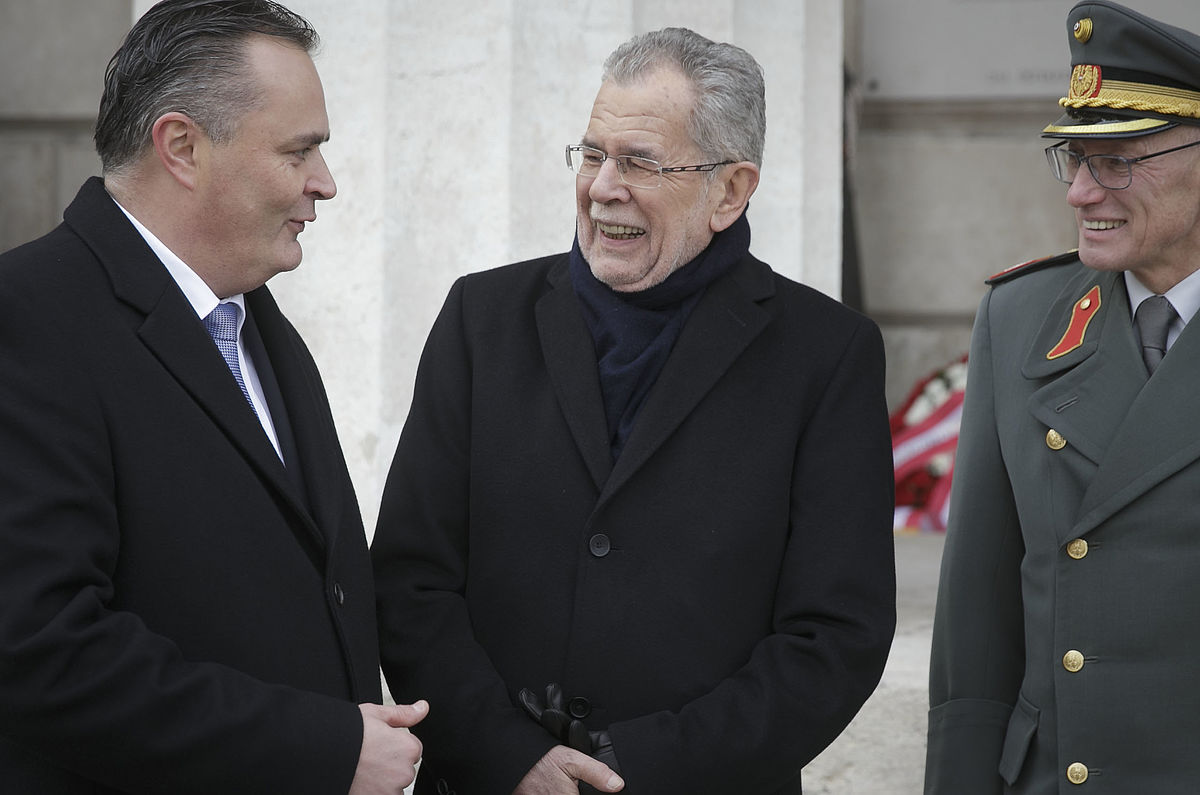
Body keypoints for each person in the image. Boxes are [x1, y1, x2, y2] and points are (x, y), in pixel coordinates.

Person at [372, 26, 896, 795]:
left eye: (641, 162)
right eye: (592, 154)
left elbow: (834, 636)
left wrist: (637, 768)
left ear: (731, 190)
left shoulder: (826, 353)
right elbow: (411, 578)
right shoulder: (481, 319)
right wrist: (507, 753)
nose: (602, 186)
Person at [0, 1, 426, 792]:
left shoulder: (257, 324)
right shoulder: (28, 317)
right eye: (299, 151)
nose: (324, 184)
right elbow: (39, 650)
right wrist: (323, 747)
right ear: (182, 147)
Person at [925, 2, 1200, 792]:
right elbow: (974, 625)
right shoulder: (1019, 318)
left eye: (1118, 161)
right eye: (1075, 158)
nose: (1081, 192)